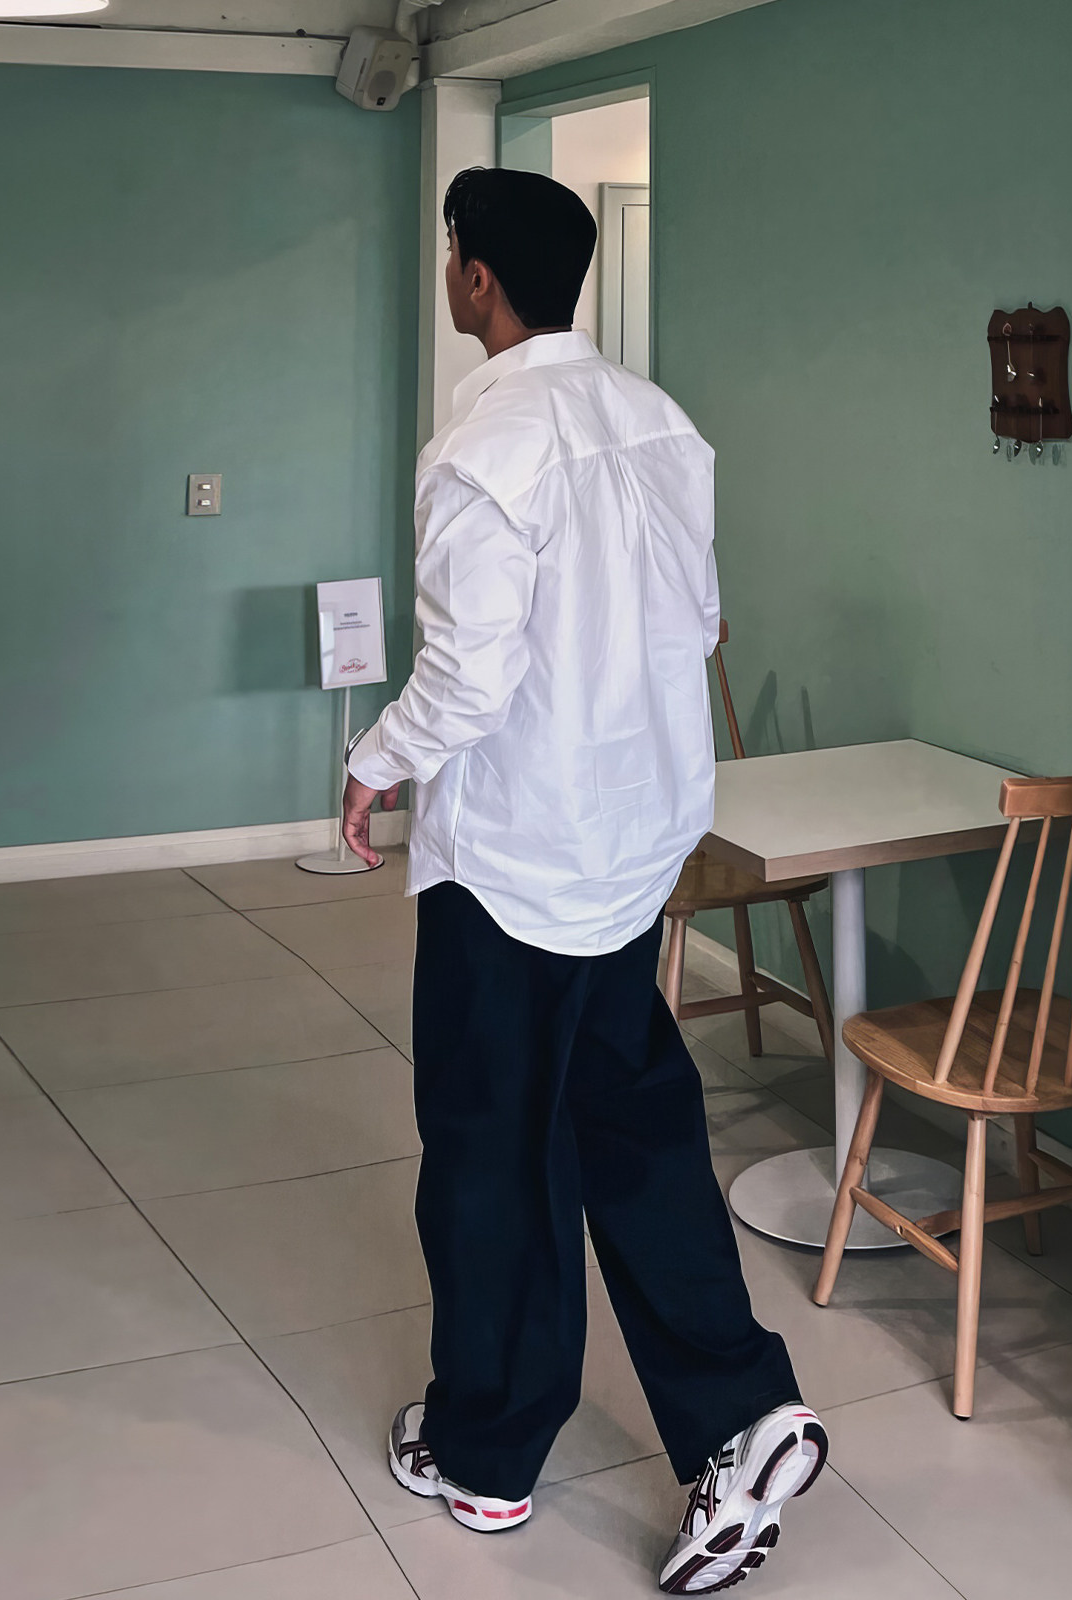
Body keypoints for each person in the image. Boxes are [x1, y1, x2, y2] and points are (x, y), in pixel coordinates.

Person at [342, 166, 826, 1595]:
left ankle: (486, 1452)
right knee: (635, 1133)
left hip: (510, 865)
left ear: (477, 279)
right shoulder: (662, 424)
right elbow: (703, 620)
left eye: (454, 256)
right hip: (632, 847)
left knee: (493, 1155)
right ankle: (743, 1410)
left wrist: (375, 761)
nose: (452, 275)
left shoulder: (481, 448)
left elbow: (469, 676)